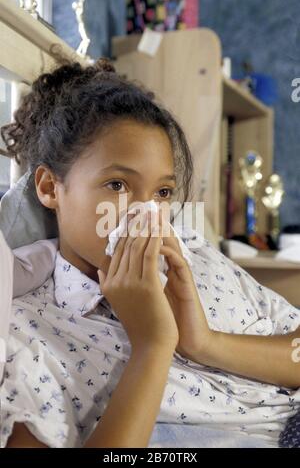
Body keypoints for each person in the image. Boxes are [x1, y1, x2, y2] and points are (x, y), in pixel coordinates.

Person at [0, 58, 299, 448]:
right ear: (49, 188)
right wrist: (153, 345)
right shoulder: (27, 329)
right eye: (118, 184)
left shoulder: (194, 254)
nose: (148, 215)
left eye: (162, 193)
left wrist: (204, 342)